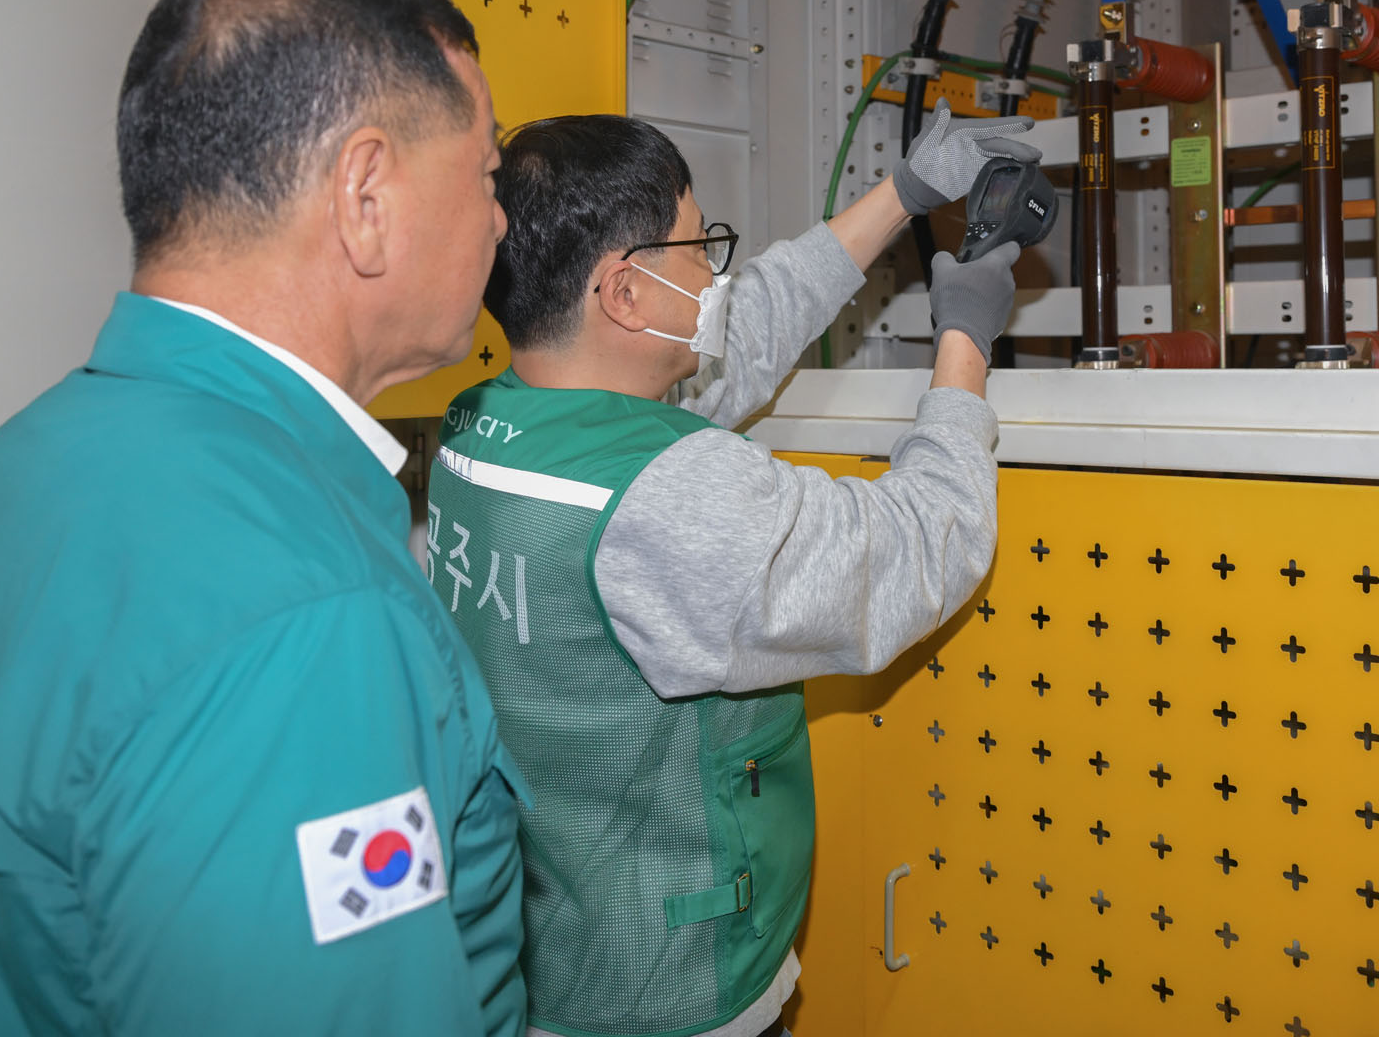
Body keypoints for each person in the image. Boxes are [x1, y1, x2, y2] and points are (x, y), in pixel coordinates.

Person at [0, 0, 529, 1035]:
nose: (498, 221)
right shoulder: (308, 620)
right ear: (366, 196)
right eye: (487, 171)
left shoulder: (23, 465)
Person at [430, 107, 1031, 1037]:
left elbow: (739, 333)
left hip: (549, 945)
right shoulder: (663, 498)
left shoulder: (484, 425)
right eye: (698, 248)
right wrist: (967, 342)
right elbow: (920, 546)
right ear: (625, 292)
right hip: (674, 988)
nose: (716, 273)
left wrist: (902, 197)